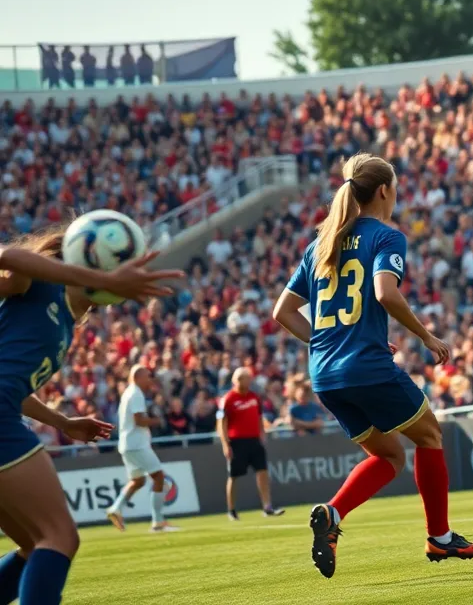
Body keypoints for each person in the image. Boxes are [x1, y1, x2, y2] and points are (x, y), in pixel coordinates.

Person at [272, 153, 473, 577]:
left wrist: (331, 340)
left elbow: (283, 312)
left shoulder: (320, 245)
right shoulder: (386, 237)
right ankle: (440, 537)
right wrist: (426, 336)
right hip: (366, 366)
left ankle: (333, 514)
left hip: (325, 375)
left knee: (388, 456)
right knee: (429, 434)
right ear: (385, 190)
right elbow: (385, 293)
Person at [0, 228, 180, 605]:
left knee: (35, 545)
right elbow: (8, 257)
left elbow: (13, 386)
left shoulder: (66, 323)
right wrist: (100, 279)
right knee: (59, 537)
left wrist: (63, 423)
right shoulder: (42, 284)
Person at [104, 366, 180, 533]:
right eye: (147, 376)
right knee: (159, 477)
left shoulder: (128, 393)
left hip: (127, 445)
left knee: (138, 481)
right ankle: (158, 521)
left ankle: (116, 508)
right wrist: (156, 421)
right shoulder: (136, 393)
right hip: (137, 444)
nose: (150, 380)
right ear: (138, 377)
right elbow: (139, 420)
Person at [217, 368, 284, 520]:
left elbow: (259, 417)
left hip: (254, 440)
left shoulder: (254, 397)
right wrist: (225, 444)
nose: (247, 381)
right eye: (243, 378)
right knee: (234, 476)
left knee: (262, 472)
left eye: (248, 378)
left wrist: (262, 434)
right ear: (236, 381)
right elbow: (222, 423)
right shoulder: (228, 399)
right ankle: (231, 509)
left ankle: (267, 506)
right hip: (236, 442)